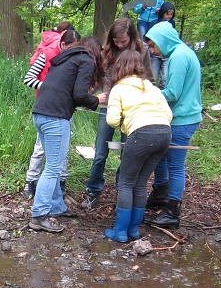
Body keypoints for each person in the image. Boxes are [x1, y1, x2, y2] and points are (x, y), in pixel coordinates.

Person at [29, 30, 106, 233]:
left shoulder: (64, 59)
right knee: (54, 167)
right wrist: (97, 100)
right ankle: (39, 215)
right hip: (56, 117)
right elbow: (80, 94)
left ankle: (56, 206)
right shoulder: (86, 60)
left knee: (51, 164)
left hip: (40, 113)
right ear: (96, 52)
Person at [82, 18, 155, 210]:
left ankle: (122, 191)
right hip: (108, 107)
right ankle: (93, 190)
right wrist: (87, 95)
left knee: (127, 152)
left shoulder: (143, 52)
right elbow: (99, 77)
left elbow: (149, 80)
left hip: (131, 110)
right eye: (116, 41)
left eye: (123, 41)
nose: (120, 44)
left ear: (131, 37)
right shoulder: (108, 52)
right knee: (100, 152)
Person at [103, 50, 172, 242]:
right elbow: (168, 115)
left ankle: (120, 232)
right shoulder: (151, 87)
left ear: (119, 67)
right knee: (141, 182)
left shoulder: (118, 88)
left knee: (126, 182)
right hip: (164, 134)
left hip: (141, 134)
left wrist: (127, 123)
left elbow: (112, 120)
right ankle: (133, 230)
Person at [143, 22, 203, 229]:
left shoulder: (178, 56)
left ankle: (172, 212)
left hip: (182, 118)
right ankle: (160, 193)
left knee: (176, 166)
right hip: (178, 117)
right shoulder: (184, 52)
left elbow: (173, 93)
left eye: (153, 46)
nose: (153, 51)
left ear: (162, 40)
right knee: (162, 157)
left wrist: (147, 94)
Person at [22, 21, 73, 199]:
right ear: (63, 41)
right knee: (41, 147)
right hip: (47, 107)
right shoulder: (48, 54)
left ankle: (60, 183)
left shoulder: (72, 58)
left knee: (63, 148)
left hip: (66, 109)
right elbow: (28, 79)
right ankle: (31, 182)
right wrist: (50, 89)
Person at [148, 2, 176, 88]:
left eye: (171, 14)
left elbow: (173, 37)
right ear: (162, 12)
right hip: (155, 54)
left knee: (165, 77)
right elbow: (148, 39)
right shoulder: (154, 23)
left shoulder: (172, 23)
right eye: (167, 14)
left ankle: (162, 94)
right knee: (153, 76)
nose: (169, 16)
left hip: (166, 54)